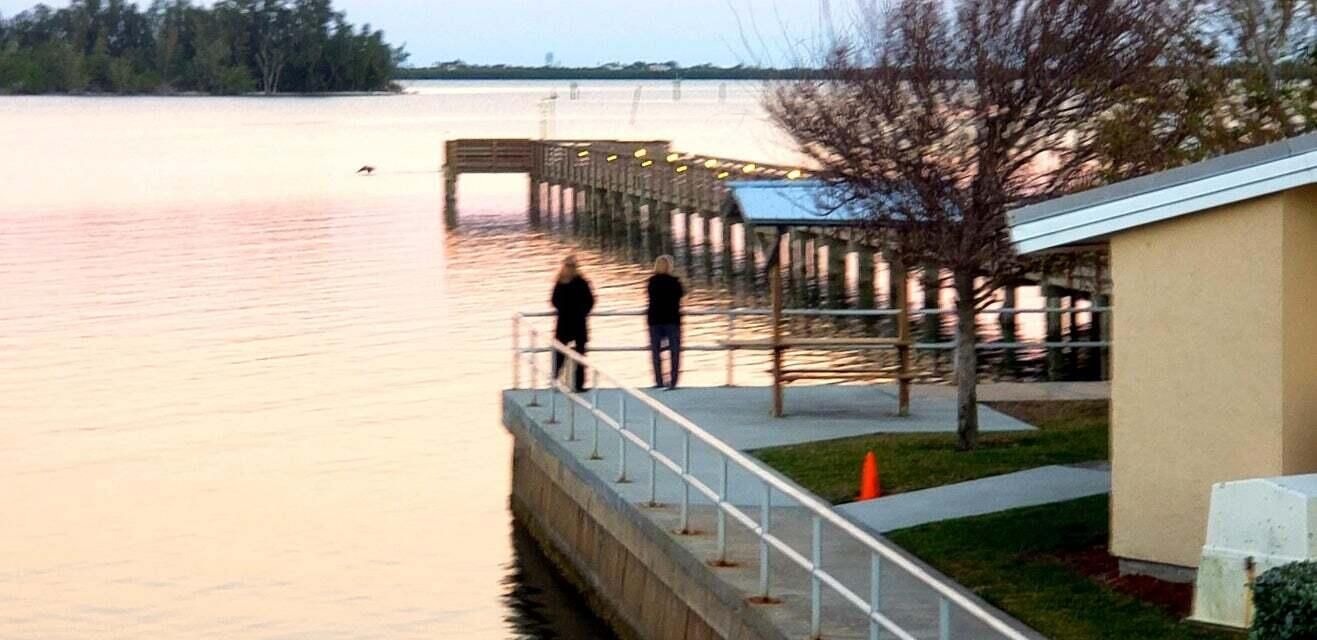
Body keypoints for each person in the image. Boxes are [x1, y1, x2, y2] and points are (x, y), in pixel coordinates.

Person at [550, 255, 594, 391]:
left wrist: (582, 311)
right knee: (559, 354)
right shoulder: (559, 283)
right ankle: (555, 381)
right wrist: (564, 309)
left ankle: (579, 384)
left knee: (580, 354)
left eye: (572, 266)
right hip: (564, 322)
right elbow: (554, 300)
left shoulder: (582, 282)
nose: (570, 268)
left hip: (579, 321)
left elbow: (590, 300)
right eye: (568, 265)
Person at [646, 255, 685, 390]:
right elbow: (680, 295)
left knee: (656, 352)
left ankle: (659, 381)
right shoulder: (675, 282)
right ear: (670, 267)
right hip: (672, 319)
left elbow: (651, 297)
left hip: (655, 320)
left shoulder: (652, 282)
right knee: (674, 351)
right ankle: (673, 381)